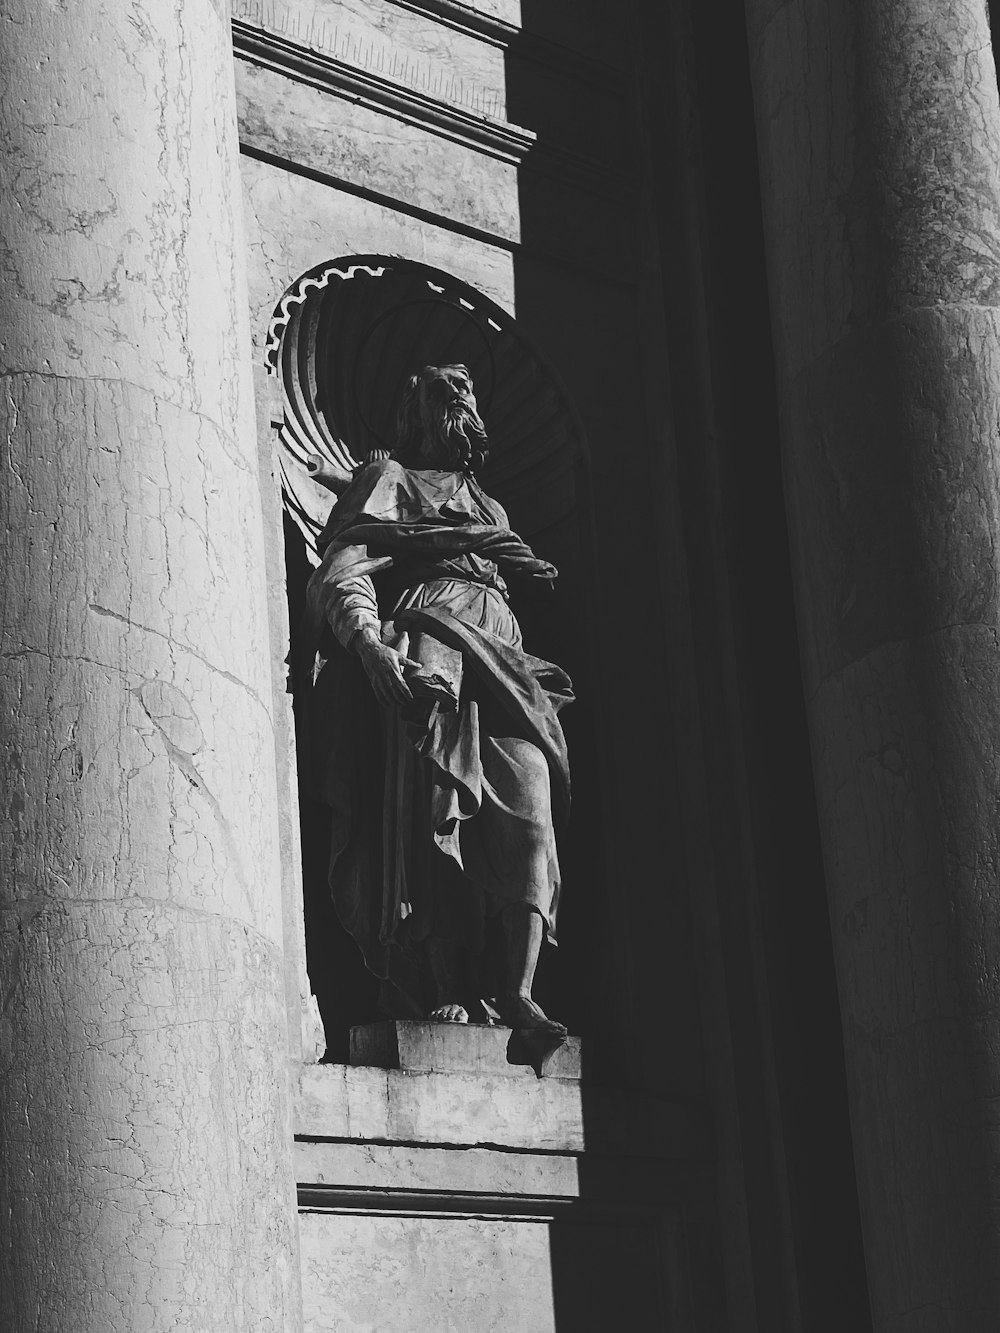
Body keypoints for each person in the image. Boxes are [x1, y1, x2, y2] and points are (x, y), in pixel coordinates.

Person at [301, 363, 572, 1034]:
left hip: (505, 664)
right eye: (441, 386)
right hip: (433, 649)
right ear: (415, 411)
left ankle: (518, 987)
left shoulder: (493, 509)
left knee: (530, 810)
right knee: (438, 809)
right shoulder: (390, 481)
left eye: (467, 385)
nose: (460, 392)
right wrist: (371, 649)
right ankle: (444, 984)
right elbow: (344, 569)